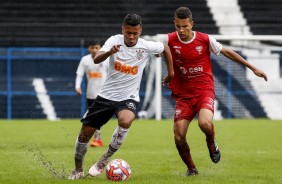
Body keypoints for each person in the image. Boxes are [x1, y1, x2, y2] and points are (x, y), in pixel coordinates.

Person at [162, 7, 268, 176]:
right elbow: (156, 51)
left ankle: (211, 142)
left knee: (204, 123)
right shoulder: (168, 40)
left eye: (185, 26)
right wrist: (170, 73)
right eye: (178, 27)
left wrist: (252, 67)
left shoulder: (204, 39)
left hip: (204, 90)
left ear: (192, 24)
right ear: (174, 24)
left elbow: (227, 52)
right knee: (178, 136)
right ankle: (192, 169)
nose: (181, 31)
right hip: (184, 95)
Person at [68, 13, 174, 180]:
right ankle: (78, 169)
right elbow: (97, 60)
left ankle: (104, 160)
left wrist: (171, 73)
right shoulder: (114, 41)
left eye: (135, 33)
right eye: (128, 33)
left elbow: (165, 48)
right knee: (84, 135)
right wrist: (110, 52)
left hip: (128, 97)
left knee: (126, 120)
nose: (131, 37)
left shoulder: (145, 45)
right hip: (105, 97)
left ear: (140, 31)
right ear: (123, 29)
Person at [75, 40, 109, 147]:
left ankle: (95, 138)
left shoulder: (106, 59)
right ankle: (97, 139)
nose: (94, 50)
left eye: (96, 47)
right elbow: (79, 74)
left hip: (103, 93)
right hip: (90, 93)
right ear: (89, 48)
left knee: (92, 116)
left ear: (100, 48)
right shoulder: (85, 60)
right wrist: (77, 86)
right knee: (94, 117)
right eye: (92, 48)